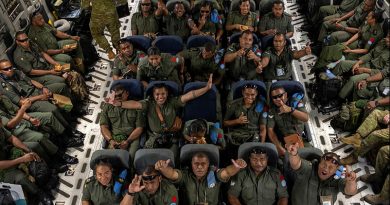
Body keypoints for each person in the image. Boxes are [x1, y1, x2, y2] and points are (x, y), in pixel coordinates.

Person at [114, 75, 213, 159]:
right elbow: (135, 104)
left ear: (167, 94)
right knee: (146, 159)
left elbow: (190, 95)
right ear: (153, 95)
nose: (160, 97)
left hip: (171, 139)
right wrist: (120, 104)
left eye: (163, 94)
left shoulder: (173, 102)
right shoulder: (148, 103)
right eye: (157, 94)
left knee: (172, 159)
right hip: (153, 139)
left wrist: (206, 88)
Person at [154, 153, 247, 205]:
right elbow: (172, 174)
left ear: (208, 165)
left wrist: (236, 167)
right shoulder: (185, 175)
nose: (199, 167)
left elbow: (227, 172)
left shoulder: (214, 174)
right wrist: (164, 168)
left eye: (203, 164)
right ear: (191, 164)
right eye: (196, 163)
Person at [286, 143, 358, 205]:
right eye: (324, 164)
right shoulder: (309, 168)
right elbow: (296, 164)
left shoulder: (337, 179)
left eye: (330, 167)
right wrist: (294, 154)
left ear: (336, 169)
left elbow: (350, 192)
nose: (325, 169)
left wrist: (351, 181)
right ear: (320, 162)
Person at [0, 123, 53, 205]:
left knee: (34, 149)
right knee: (20, 177)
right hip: (2, 170)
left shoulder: (0, 128)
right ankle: (39, 193)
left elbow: (11, 138)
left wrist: (28, 150)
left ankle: (49, 173)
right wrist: (21, 159)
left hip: (8, 154)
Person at [337, 33, 390, 100]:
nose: (387, 39)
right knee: (343, 64)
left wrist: (364, 70)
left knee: (353, 79)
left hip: (373, 73)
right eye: (387, 36)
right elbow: (370, 54)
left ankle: (339, 99)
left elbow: (383, 73)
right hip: (368, 62)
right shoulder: (383, 41)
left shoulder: (377, 33)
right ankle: (330, 81)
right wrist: (358, 63)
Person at [100, 84, 144, 161]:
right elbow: (104, 127)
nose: (117, 98)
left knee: (130, 158)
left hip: (132, 138)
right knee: (109, 159)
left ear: (127, 93)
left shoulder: (135, 106)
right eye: (115, 96)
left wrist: (127, 141)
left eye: (120, 95)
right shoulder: (107, 107)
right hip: (114, 138)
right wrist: (111, 140)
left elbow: (139, 128)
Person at [267, 85, 308, 156]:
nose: (278, 99)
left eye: (280, 95)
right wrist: (278, 147)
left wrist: (291, 110)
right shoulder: (272, 111)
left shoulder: (295, 102)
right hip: (285, 142)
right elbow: (270, 131)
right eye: (274, 97)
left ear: (285, 94)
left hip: (301, 139)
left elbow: (305, 118)